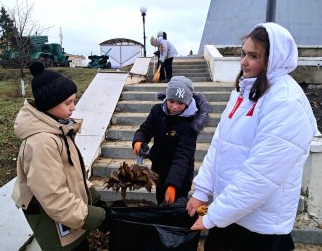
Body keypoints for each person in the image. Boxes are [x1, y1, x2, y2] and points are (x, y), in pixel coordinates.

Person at [186, 22, 319, 251]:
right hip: (230, 217)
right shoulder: (245, 90)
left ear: (273, 59)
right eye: (243, 53)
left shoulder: (286, 102)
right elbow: (220, 144)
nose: (243, 61)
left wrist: (213, 216)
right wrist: (201, 191)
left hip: (260, 230)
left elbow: (260, 175)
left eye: (253, 56)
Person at [11, 62, 107, 250]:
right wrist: (91, 217)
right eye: (68, 103)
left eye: (74, 101)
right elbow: (52, 195)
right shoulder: (41, 142)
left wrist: (92, 195)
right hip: (52, 219)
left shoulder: (59, 129)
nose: (73, 107)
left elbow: (71, 172)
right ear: (49, 104)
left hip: (67, 214)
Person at [132, 76, 210, 205]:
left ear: (188, 102)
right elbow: (145, 129)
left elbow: (183, 156)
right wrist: (138, 141)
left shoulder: (191, 123)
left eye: (180, 103)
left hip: (180, 175)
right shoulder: (157, 111)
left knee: (175, 206)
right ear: (166, 98)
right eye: (171, 101)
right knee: (160, 199)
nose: (174, 106)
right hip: (158, 169)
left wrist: (173, 185)